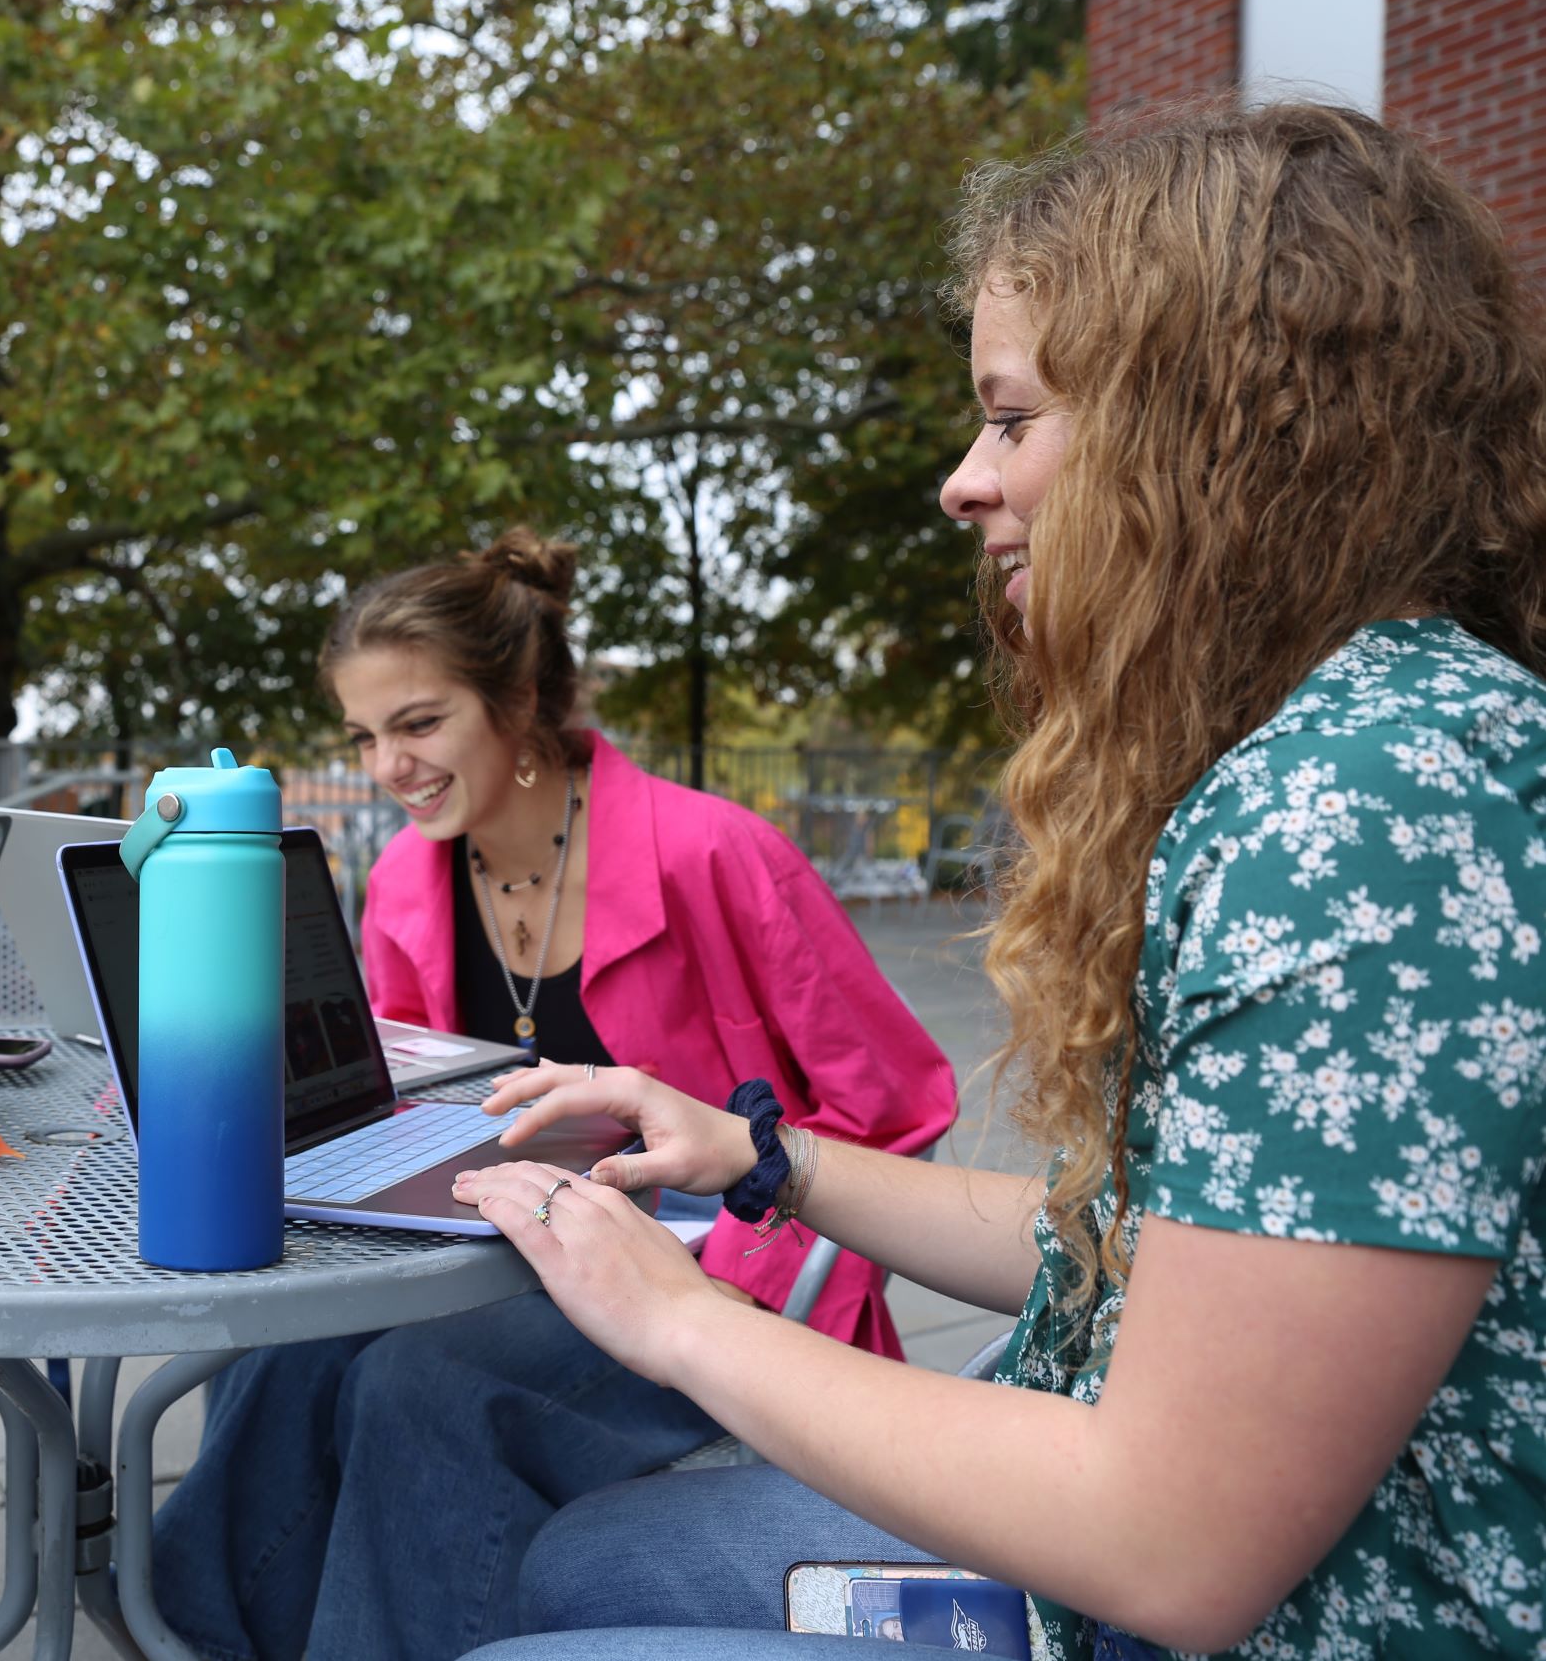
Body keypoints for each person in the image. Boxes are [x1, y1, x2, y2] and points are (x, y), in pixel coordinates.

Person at [450, 101, 1546, 1660]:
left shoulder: (1358, 810)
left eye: (1013, 420)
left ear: (1215, 426)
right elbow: (1158, 1249)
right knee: (588, 1569)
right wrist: (762, 1160)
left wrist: (679, 1320)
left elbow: (1173, 1549)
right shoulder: (1393, 737)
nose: (966, 482)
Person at [150, 530, 959, 1660]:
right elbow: (403, 1101)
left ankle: (200, 1616)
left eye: (419, 723)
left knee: (423, 1386)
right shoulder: (402, 885)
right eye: (364, 735)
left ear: (519, 700)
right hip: (509, 1251)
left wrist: (736, 1276)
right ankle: (190, 1625)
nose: (389, 766)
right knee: (281, 1351)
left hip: (713, 1288)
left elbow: (899, 1103)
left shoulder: (715, 852)